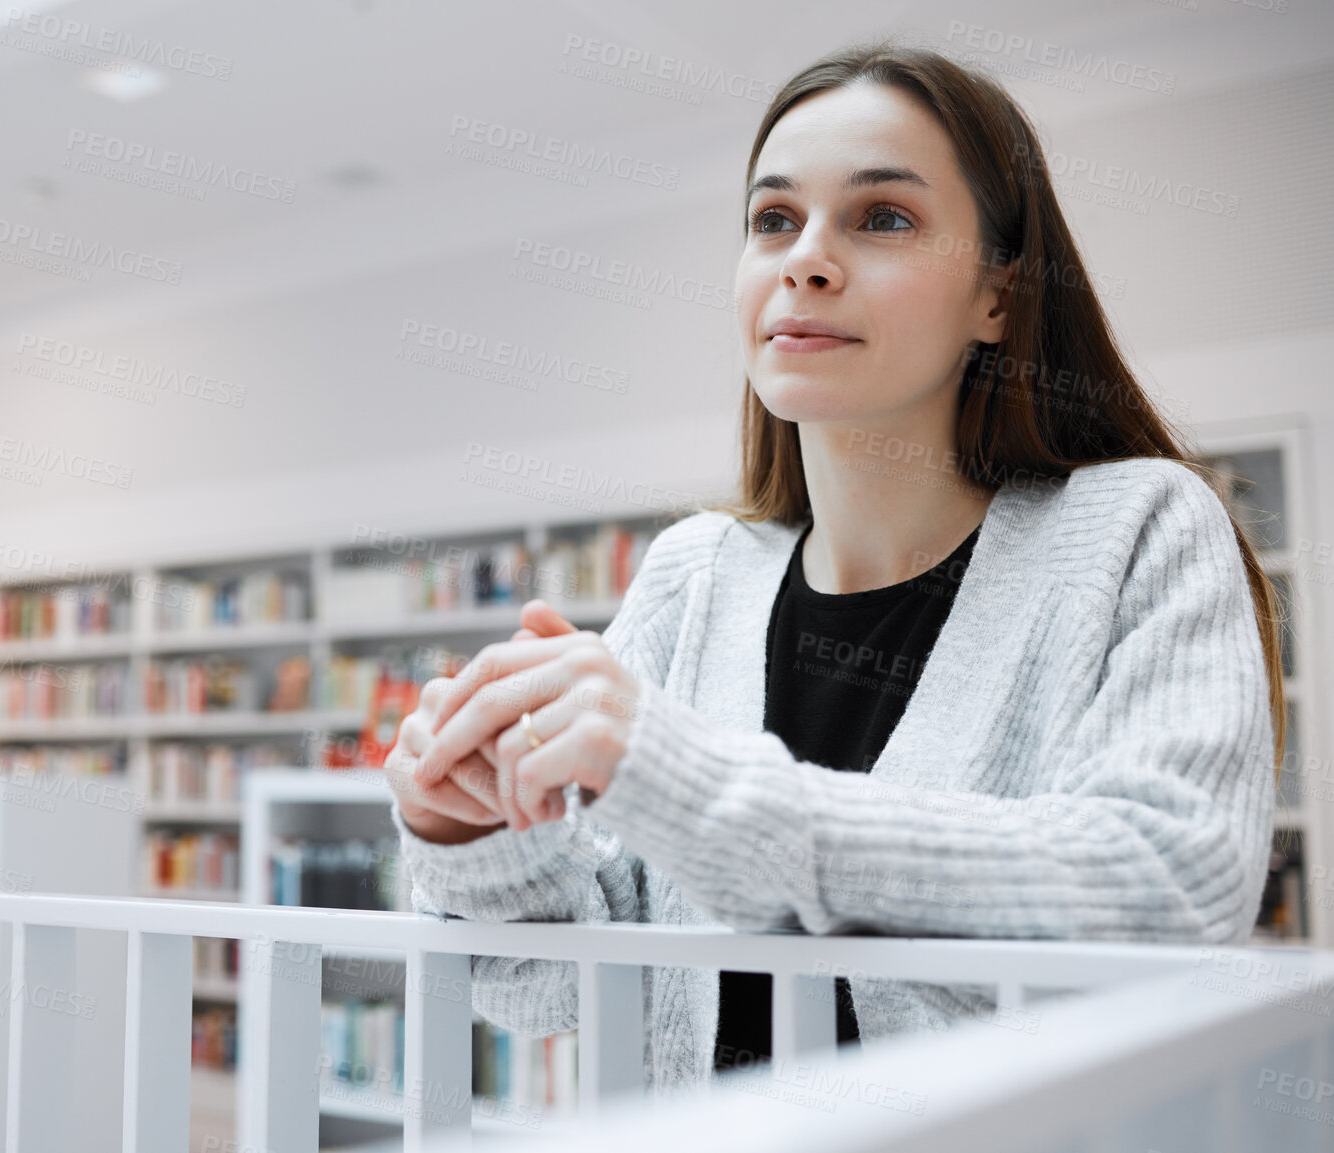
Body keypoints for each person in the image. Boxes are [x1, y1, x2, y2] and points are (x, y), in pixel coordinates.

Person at [380, 42, 1285, 1091]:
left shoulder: (1138, 527)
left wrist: (704, 788)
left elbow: (1168, 893)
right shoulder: (692, 572)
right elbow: (546, 990)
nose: (803, 259)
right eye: (773, 220)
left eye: (881, 219)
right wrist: (475, 832)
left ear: (997, 295)